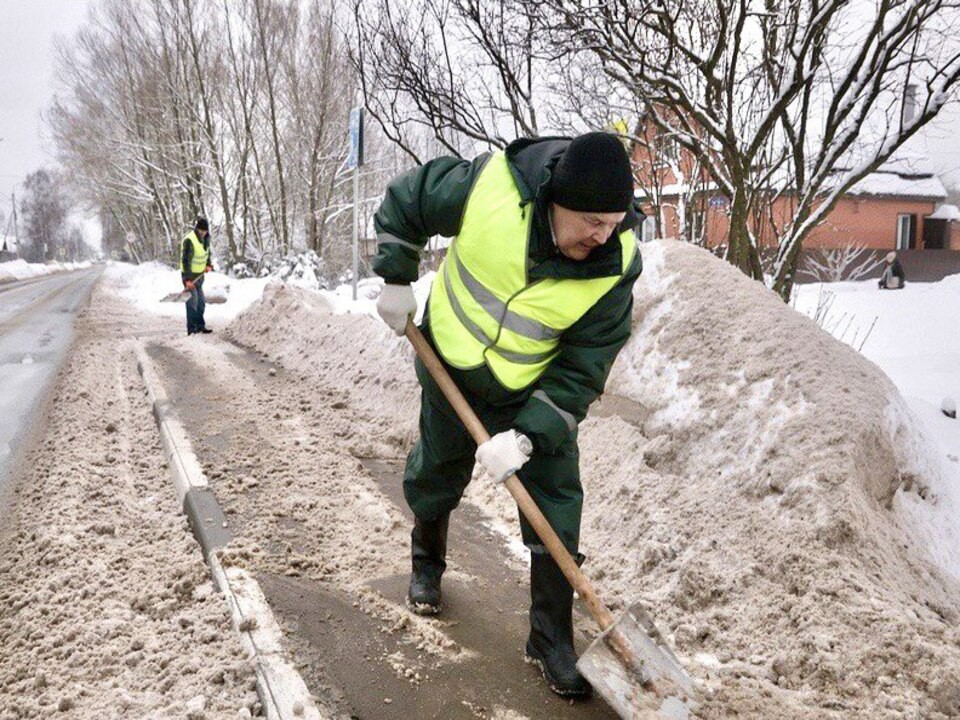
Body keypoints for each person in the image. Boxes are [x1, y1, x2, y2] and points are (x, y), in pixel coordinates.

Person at [372, 132, 643, 698]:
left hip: (530, 390)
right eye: (592, 220)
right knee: (437, 470)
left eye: (614, 221)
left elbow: (583, 369)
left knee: (557, 502)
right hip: (450, 361)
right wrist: (397, 276)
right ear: (557, 201)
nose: (604, 234)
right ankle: (427, 564)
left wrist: (527, 436)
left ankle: (549, 639)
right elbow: (409, 200)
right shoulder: (492, 187)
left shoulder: (615, 265)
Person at [180, 217, 214, 335]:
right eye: (200, 230)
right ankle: (192, 329)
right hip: (190, 276)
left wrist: (208, 264)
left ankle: (200, 326)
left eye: (204, 231)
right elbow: (186, 261)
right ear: (197, 229)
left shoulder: (206, 239)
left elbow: (207, 253)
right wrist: (187, 279)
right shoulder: (190, 240)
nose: (203, 233)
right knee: (192, 302)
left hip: (199, 276)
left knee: (201, 302)